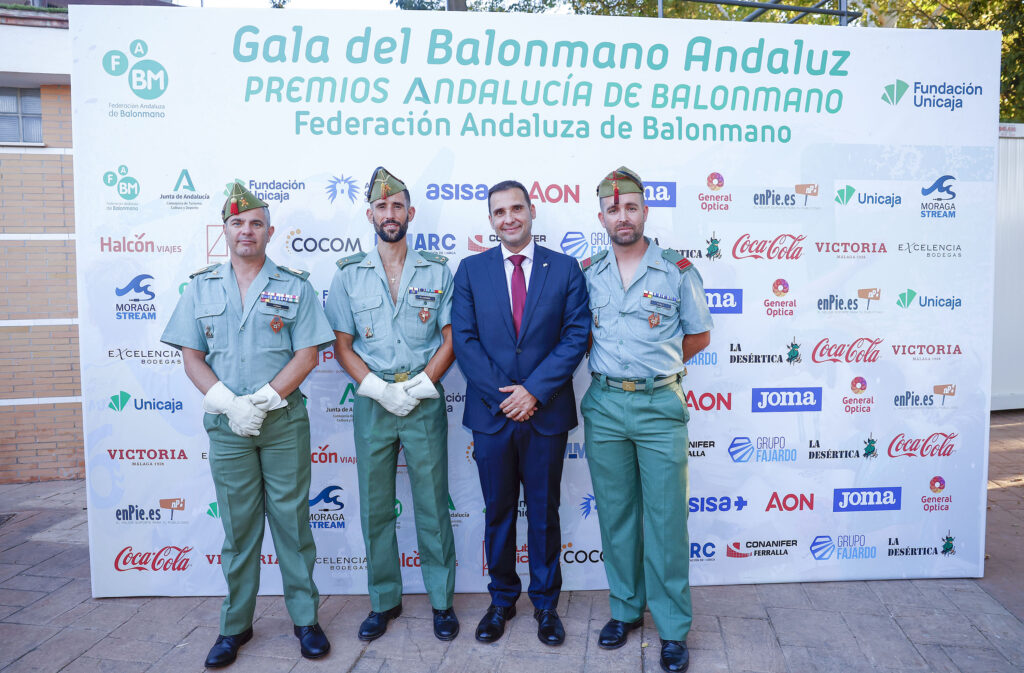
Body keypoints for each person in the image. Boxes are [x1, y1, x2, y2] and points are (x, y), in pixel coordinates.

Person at [161, 182, 334, 668]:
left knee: (292, 524)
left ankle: (306, 619)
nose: (247, 230)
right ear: (225, 230)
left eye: (256, 223)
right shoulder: (200, 287)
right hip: (227, 427)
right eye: (237, 222)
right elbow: (191, 356)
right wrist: (228, 403)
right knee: (239, 532)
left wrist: (263, 399)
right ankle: (235, 625)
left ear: (269, 231)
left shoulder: (294, 285)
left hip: (282, 423)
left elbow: (308, 353)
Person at [580, 167, 713, 673]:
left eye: (630, 207)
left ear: (644, 212)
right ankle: (624, 610)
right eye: (613, 209)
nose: (623, 216)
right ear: (602, 217)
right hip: (606, 406)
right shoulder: (588, 272)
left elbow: (698, 336)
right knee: (616, 517)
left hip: (660, 407)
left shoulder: (677, 270)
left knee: (665, 524)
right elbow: (583, 336)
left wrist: (656, 362)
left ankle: (674, 628)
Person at [451, 180, 590, 646]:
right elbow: (464, 341)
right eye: (498, 212)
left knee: (545, 513)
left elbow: (575, 336)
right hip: (492, 416)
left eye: (516, 209)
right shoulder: (470, 270)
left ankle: (547, 606)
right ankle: (502, 600)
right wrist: (507, 396)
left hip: (545, 412)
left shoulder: (566, 268)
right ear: (490, 220)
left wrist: (533, 391)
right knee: (499, 512)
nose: (508, 218)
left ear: (532, 212)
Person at [325, 167, 459, 643]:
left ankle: (442, 601)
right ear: (370, 215)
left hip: (423, 398)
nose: (390, 214)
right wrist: (380, 390)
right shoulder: (348, 276)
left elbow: (451, 338)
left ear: (410, 212)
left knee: (432, 504)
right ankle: (384, 600)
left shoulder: (437, 270)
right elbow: (342, 346)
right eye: (382, 207)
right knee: (375, 507)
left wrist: (423, 383)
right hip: (373, 401)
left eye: (397, 205)